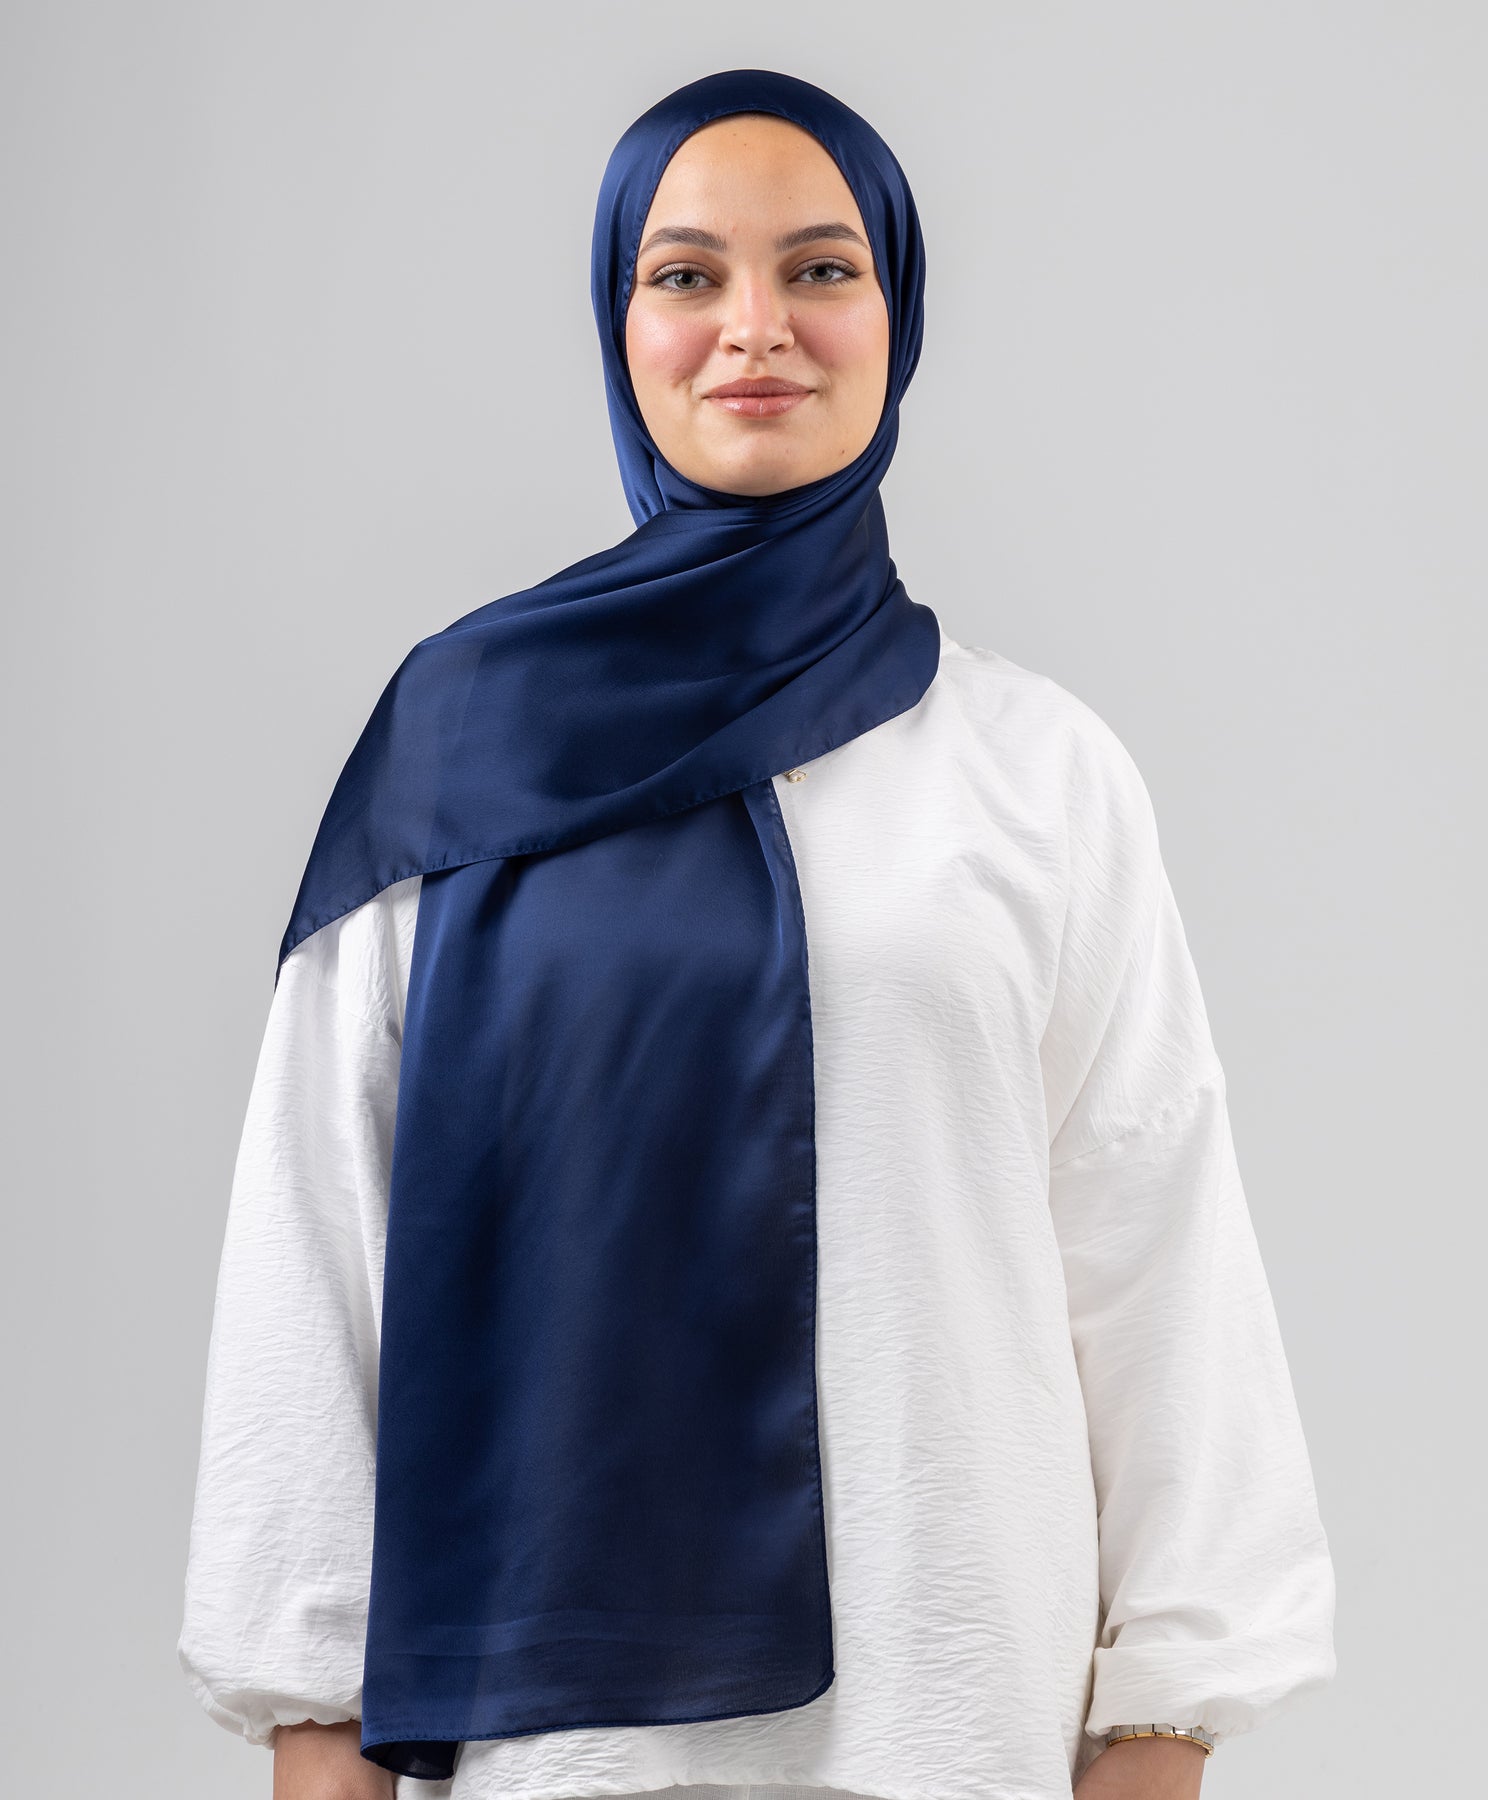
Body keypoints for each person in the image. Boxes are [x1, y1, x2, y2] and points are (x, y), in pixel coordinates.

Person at [177, 68, 1336, 1800]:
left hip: (954, 1717)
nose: (755, 329)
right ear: (619, 322)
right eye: (686, 275)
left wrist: (1168, 1713)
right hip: (564, 1750)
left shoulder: (1037, 768)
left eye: (821, 269)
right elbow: (320, 1228)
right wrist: (308, 1712)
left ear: (896, 315)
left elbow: (1155, 1235)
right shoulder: (461, 746)